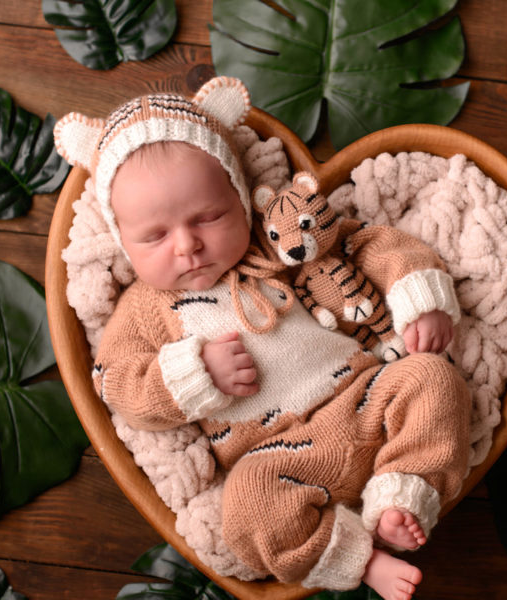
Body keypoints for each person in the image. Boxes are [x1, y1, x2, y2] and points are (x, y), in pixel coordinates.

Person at [53, 77, 470, 600]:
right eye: (154, 236)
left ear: (240, 196)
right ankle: (359, 559)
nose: (188, 246)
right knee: (245, 509)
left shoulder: (275, 241)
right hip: (280, 460)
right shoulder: (144, 310)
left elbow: (365, 245)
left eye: (209, 217)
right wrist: (192, 373)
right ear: (122, 239)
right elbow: (118, 383)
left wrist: (418, 294)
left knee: (432, 378)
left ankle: (401, 492)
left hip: (366, 401)